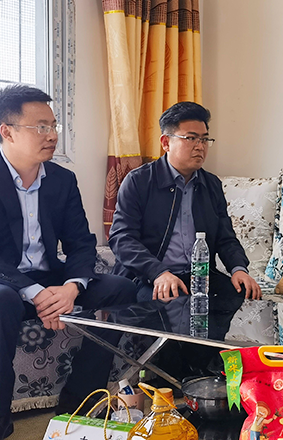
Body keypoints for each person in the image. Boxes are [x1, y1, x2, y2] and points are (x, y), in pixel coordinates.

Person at [0, 84, 138, 440]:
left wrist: (72, 287)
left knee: (121, 288)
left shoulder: (61, 180)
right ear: (7, 131)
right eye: (41, 127)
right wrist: (36, 293)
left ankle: (80, 398)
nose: (52, 135)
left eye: (53, 125)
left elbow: (81, 243)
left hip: (46, 279)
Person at [108, 101, 261, 303]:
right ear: (166, 143)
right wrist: (158, 272)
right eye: (191, 138)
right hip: (149, 277)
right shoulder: (139, 181)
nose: (200, 146)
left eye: (204, 139)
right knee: (163, 304)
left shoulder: (211, 184)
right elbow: (122, 238)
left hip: (200, 278)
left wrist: (238, 269)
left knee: (243, 295)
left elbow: (225, 238)